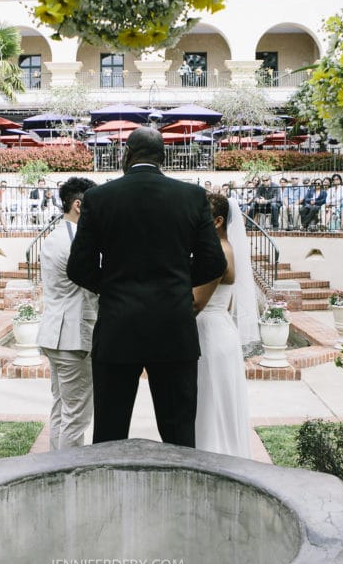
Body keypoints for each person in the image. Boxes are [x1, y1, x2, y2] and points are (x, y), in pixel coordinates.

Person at [68, 127, 226, 447]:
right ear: (163, 156)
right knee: (179, 434)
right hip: (173, 327)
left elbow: (78, 267)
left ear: (126, 155)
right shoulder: (192, 196)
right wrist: (178, 281)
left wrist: (113, 285)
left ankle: (108, 494)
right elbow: (214, 263)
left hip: (118, 326)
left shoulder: (98, 197)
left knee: (110, 434)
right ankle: (182, 493)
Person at [192, 194, 255, 458]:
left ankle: (210, 455)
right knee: (217, 398)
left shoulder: (217, 251)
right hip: (220, 327)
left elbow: (196, 303)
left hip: (209, 332)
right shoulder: (227, 248)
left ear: (218, 221)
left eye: (202, 216)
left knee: (209, 398)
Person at [38, 177, 98, 450]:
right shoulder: (74, 241)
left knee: (61, 407)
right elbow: (91, 285)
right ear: (78, 205)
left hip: (53, 334)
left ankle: (53, 467)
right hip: (72, 337)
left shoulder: (53, 236)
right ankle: (68, 475)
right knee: (77, 416)